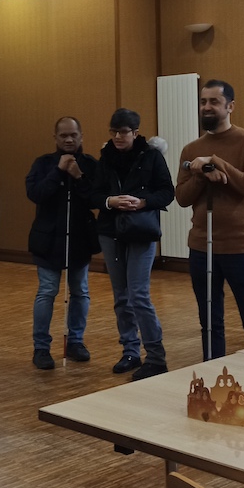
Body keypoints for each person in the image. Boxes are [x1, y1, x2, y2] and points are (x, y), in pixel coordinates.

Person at [175, 79, 244, 360]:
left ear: (230, 106)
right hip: (201, 247)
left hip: (241, 246)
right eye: (203, 102)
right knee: (209, 320)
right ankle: (212, 371)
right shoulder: (191, 150)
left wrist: (215, 162)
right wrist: (202, 174)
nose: (207, 107)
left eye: (214, 102)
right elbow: (182, 197)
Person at [92, 108, 175, 381]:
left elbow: (167, 192)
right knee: (121, 296)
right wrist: (110, 201)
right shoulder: (105, 157)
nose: (118, 136)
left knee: (138, 294)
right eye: (114, 131)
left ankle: (156, 357)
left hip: (141, 231)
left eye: (124, 132)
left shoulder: (151, 156)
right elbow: (94, 194)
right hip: (110, 231)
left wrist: (142, 202)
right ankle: (130, 351)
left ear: (136, 133)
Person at [25, 117, 100, 370]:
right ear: (55, 138)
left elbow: (95, 199)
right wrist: (58, 171)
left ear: (81, 136)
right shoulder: (43, 163)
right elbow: (35, 194)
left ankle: (76, 342)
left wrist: (78, 176)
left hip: (80, 239)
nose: (68, 139)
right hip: (48, 240)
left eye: (73, 135)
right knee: (47, 291)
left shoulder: (90, 164)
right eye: (63, 135)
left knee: (80, 291)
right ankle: (41, 347)